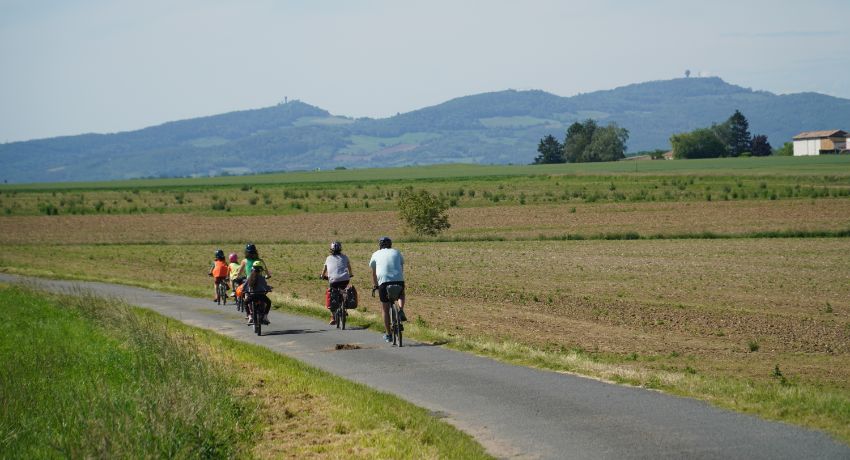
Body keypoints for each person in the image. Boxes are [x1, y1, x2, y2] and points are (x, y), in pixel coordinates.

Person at [369, 236, 406, 343]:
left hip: (384, 283)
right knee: (401, 294)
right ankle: (401, 309)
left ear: (380, 245)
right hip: (398, 280)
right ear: (390, 244)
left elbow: (374, 273)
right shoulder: (397, 252)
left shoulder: (375, 254)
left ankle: (389, 334)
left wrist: (376, 285)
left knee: (385, 309)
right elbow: (401, 268)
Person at [320, 241, 353, 325]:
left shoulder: (328, 258)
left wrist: (322, 276)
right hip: (345, 279)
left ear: (331, 250)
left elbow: (325, 269)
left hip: (333, 280)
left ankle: (332, 317)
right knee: (343, 290)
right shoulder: (345, 257)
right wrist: (350, 274)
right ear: (340, 249)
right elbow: (349, 266)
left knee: (332, 295)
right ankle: (344, 306)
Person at [245, 261, 272, 326]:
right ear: (260, 271)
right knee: (269, 302)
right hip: (261, 295)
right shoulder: (262, 278)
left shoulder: (249, 278)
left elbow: (245, 286)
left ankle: (249, 316)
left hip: (252, 295)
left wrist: (244, 291)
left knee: (245, 303)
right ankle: (265, 316)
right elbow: (265, 286)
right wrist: (269, 288)